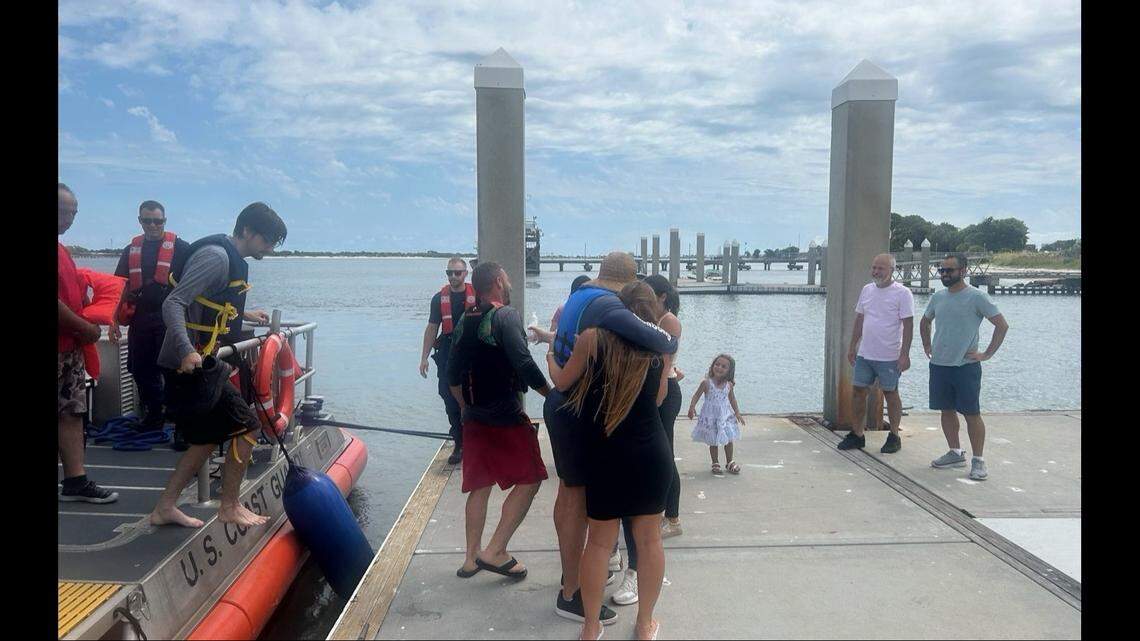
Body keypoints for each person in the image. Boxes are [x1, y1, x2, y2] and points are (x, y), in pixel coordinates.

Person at [528, 252, 677, 625]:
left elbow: (563, 379)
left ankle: (585, 613)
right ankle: (635, 619)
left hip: (588, 428)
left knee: (589, 524)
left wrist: (549, 354)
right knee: (643, 537)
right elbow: (660, 380)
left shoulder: (587, 316)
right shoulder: (643, 342)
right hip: (636, 443)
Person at [148, 202, 284, 528]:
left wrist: (246, 315)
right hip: (188, 363)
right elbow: (174, 302)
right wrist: (185, 351)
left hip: (203, 362)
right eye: (267, 240)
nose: (269, 248)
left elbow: (207, 301)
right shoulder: (216, 257)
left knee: (207, 437)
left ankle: (165, 507)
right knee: (247, 425)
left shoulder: (229, 261)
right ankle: (229, 506)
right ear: (248, 231)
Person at [447, 261, 550, 580]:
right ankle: (495, 550)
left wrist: (466, 407)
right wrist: (553, 395)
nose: (508, 283)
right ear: (496, 282)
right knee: (531, 478)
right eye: (505, 278)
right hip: (505, 415)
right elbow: (524, 363)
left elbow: (452, 374)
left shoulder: (466, 318)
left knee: (480, 485)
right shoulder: (505, 316)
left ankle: (470, 559)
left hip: (474, 417)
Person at [612, 274, 684, 607]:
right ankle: (626, 567)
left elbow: (661, 387)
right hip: (633, 420)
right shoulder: (612, 338)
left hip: (647, 414)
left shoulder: (661, 335)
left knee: (645, 504)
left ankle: (636, 570)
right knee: (629, 508)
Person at [920, 253, 1009, 481]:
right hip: (939, 364)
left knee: (972, 413)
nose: (945, 274)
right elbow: (925, 321)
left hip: (965, 366)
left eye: (949, 270)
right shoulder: (938, 297)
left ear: (963, 271)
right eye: (942, 270)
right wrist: (927, 344)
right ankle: (955, 452)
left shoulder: (977, 297)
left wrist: (986, 354)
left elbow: (1001, 325)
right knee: (946, 410)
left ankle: (978, 460)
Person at [57, 183, 119, 504]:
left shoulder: (63, 251)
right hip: (67, 341)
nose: (68, 218)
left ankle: (75, 481)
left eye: (73, 212)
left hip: (70, 349)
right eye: (63, 210)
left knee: (71, 412)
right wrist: (85, 327)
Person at [109, 200, 192, 435]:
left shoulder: (182, 248)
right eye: (148, 221)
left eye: (158, 221)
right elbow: (119, 287)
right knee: (141, 369)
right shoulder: (131, 250)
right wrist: (113, 320)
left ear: (165, 221)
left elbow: (199, 282)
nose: (153, 225)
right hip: (141, 318)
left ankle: (181, 426)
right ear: (140, 221)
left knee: (176, 370)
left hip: (171, 318)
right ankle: (153, 418)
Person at [837, 253, 915, 453]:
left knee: (891, 393)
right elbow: (860, 319)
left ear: (892, 270)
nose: (876, 272)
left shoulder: (903, 293)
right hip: (865, 354)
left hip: (889, 355)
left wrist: (904, 354)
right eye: (874, 267)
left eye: (881, 268)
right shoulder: (867, 290)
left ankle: (895, 435)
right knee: (858, 392)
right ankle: (857, 434)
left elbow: (908, 325)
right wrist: (853, 345)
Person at [420, 257, 476, 465]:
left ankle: (475, 439)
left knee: (474, 395)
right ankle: (459, 442)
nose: (453, 276)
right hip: (447, 352)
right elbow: (432, 327)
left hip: (471, 353)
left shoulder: (477, 296)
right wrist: (424, 357)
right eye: (449, 273)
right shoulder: (438, 299)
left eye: (457, 273)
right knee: (448, 396)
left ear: (465, 274)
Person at [687, 354, 746, 475]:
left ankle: (730, 461)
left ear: (729, 371)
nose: (719, 368)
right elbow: (696, 395)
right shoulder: (706, 383)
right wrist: (692, 407)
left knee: (729, 439)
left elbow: (732, 399)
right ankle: (715, 462)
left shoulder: (729, 385)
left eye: (724, 366)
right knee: (713, 440)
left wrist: (737, 413)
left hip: (725, 415)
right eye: (717, 364)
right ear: (712, 366)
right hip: (711, 417)